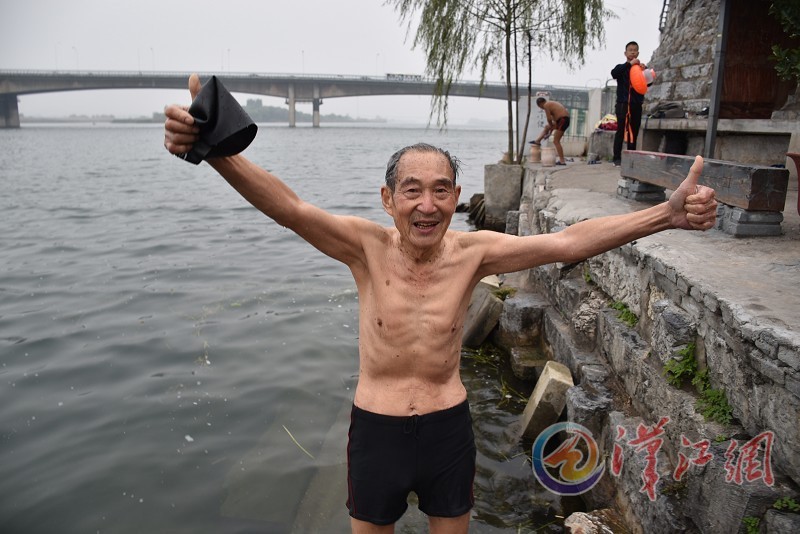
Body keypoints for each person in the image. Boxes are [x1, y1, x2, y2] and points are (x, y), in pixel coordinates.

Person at [163, 74, 717, 534]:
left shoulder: (475, 253)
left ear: (456, 197)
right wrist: (212, 152)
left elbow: (568, 242)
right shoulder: (365, 247)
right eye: (411, 190)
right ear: (388, 199)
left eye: (441, 190)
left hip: (447, 429)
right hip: (376, 430)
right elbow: (288, 206)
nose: (426, 206)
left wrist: (663, 215)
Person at [611, 41, 646, 167]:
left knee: (634, 131)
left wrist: (645, 72)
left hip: (636, 104)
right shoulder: (622, 68)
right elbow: (614, 74)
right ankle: (616, 158)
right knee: (621, 131)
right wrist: (628, 64)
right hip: (623, 104)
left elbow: (647, 84)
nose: (632, 52)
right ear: (625, 53)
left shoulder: (640, 69)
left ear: (638, 53)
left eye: (635, 50)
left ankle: (631, 158)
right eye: (630, 50)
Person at [530, 97, 571, 165]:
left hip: (563, 120)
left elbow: (549, 119)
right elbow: (553, 121)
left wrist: (551, 126)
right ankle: (537, 141)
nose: (541, 108)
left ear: (540, 104)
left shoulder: (546, 105)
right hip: (562, 120)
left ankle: (562, 161)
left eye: (540, 107)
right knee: (547, 127)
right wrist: (550, 131)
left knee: (556, 141)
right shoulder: (551, 105)